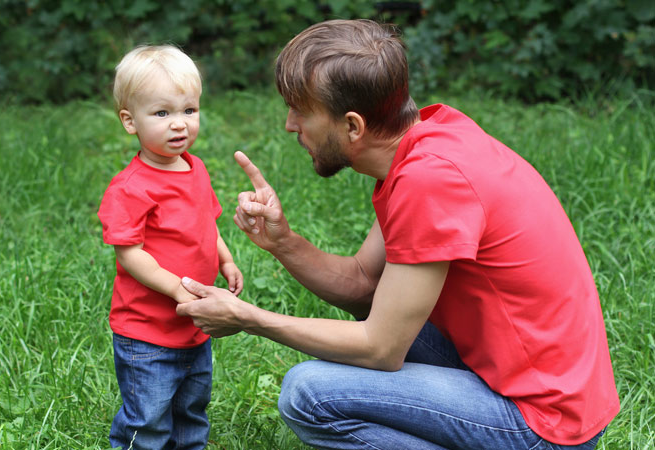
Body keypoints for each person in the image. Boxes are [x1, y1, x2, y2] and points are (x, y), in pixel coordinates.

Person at [175, 19, 619, 449]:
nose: (291, 125)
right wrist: (283, 243)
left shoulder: (430, 181)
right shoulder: (427, 144)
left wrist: (248, 318)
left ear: (352, 126)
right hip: (533, 380)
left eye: (302, 111)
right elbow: (366, 285)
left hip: (544, 422)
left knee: (307, 393)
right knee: (368, 327)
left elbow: (381, 348)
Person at [97, 44, 243, 450]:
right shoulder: (131, 187)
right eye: (162, 113)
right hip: (147, 332)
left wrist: (226, 259)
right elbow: (130, 253)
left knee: (191, 412)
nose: (179, 124)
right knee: (149, 421)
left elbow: (207, 225)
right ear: (130, 121)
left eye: (188, 110)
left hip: (195, 326)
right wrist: (177, 287)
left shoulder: (195, 169)